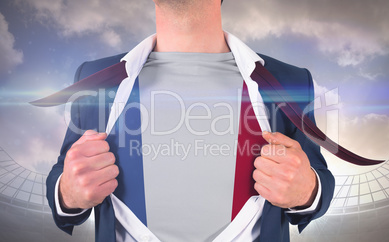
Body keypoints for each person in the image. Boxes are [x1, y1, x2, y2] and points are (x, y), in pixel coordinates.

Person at [45, 0, 335, 241]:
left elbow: (318, 178)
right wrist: (68, 191)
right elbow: (63, 175)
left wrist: (308, 189)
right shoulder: (94, 79)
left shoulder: (290, 81)